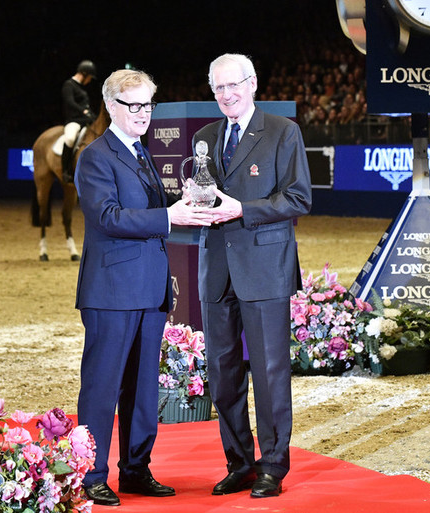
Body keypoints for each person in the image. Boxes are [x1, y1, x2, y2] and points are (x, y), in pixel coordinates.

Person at [74, 68, 213, 507]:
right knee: (102, 387)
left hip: (150, 291)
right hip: (111, 293)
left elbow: (150, 214)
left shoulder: (141, 152)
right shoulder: (95, 156)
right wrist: (171, 216)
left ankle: (135, 469)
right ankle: (91, 473)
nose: (142, 114)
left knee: (141, 390)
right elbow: (109, 218)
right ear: (112, 107)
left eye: (148, 105)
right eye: (133, 105)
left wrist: (184, 203)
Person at [191, 53, 312, 498]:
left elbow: (299, 199)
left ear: (253, 83)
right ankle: (239, 462)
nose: (226, 95)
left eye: (233, 85)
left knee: (269, 373)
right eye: (218, 88)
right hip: (216, 271)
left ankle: (272, 466)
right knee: (223, 375)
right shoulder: (204, 137)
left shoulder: (283, 132)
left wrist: (243, 209)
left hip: (265, 269)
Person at [61, 59, 96, 183]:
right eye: (90, 77)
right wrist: (83, 111)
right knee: (70, 138)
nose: (90, 80)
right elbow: (70, 103)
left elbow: (86, 107)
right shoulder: (69, 85)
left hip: (85, 121)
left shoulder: (82, 89)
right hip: (74, 121)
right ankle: (65, 170)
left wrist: (91, 114)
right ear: (84, 74)